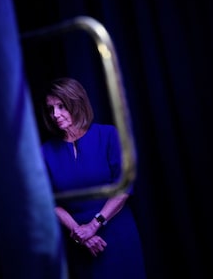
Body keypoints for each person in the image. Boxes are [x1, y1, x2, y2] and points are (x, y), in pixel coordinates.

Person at [40, 77, 147, 279]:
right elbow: (48, 201)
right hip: (80, 242)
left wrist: (94, 225)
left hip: (116, 234)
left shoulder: (107, 135)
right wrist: (81, 233)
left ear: (77, 102)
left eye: (62, 106)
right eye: (50, 109)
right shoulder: (45, 151)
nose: (55, 115)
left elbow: (124, 186)